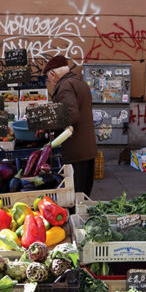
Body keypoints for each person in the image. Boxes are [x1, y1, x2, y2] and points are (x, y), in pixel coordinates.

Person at [41, 55, 97, 196]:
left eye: (49, 77)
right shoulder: (80, 82)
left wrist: (49, 125)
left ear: (53, 73)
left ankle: (76, 217)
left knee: (76, 193)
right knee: (83, 193)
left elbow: (72, 116)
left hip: (75, 150)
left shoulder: (65, 86)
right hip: (87, 147)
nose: (51, 82)